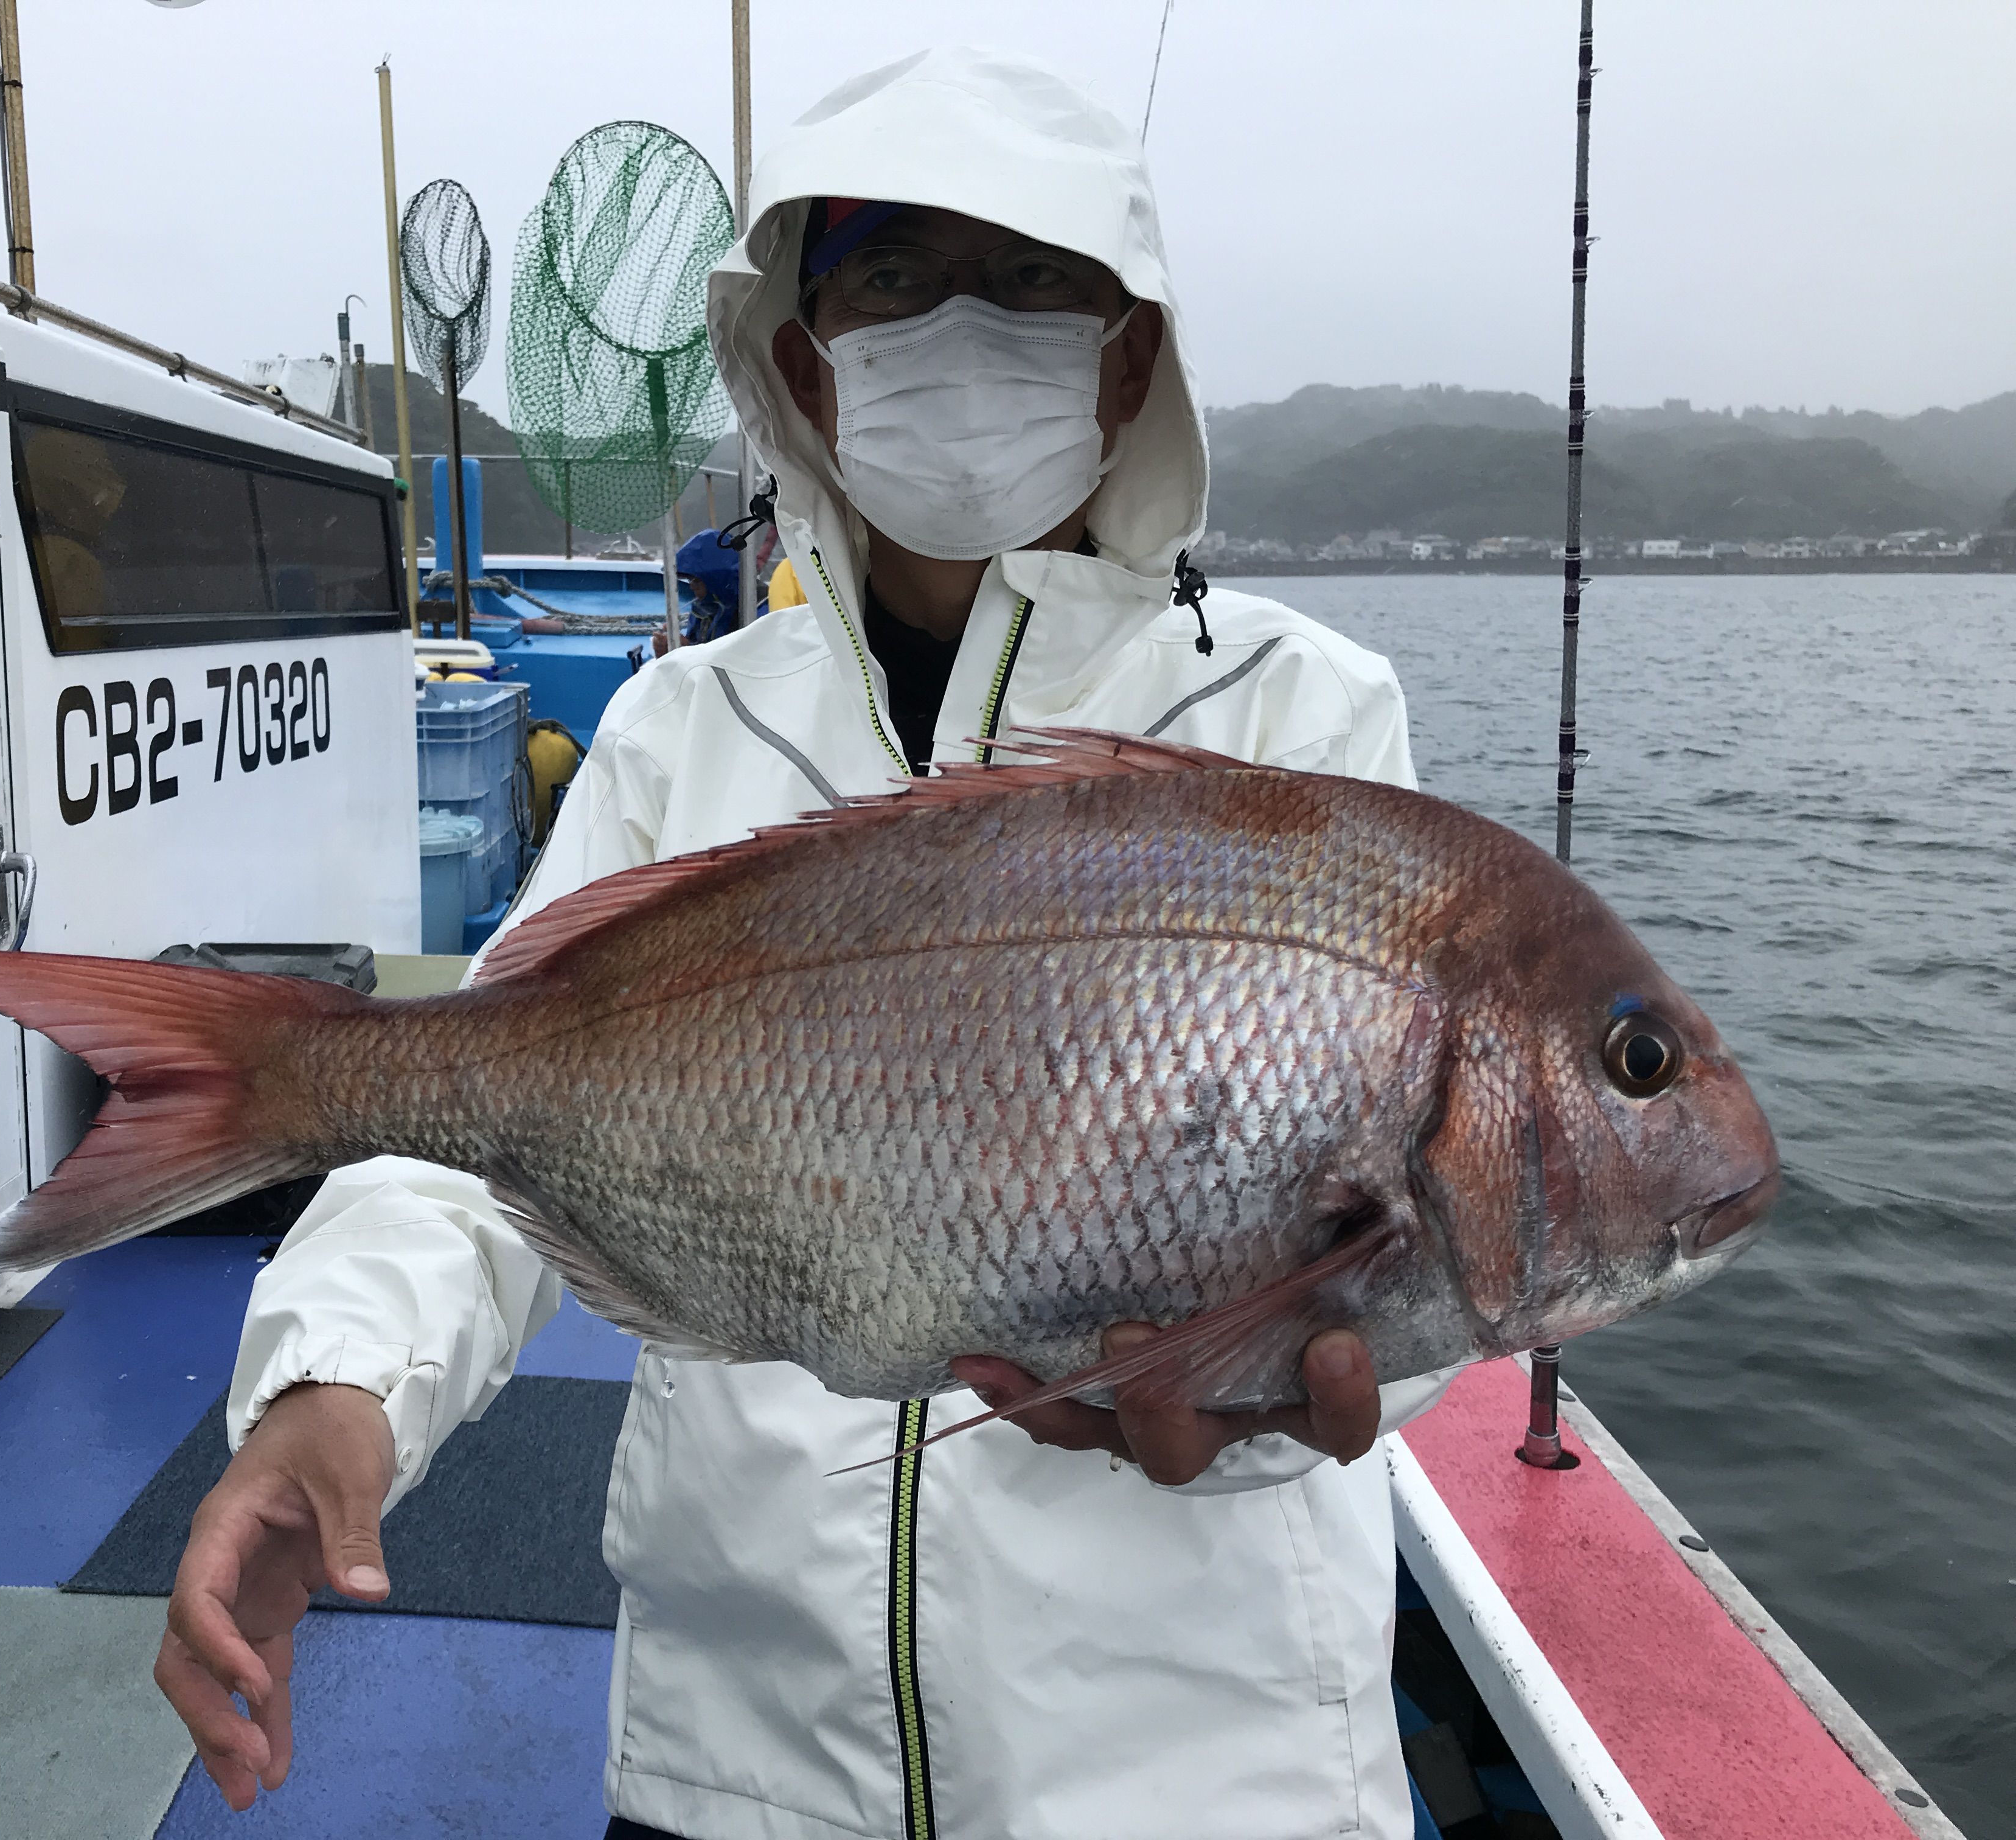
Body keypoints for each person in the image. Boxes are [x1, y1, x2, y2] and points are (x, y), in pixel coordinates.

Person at [156, 49, 1449, 1840]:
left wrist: (1271, 1402)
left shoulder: (1301, 721)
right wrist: (338, 1386)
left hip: (1207, 1778)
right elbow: (487, 1107)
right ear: (805, 361)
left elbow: (1420, 1245)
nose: (963, 328)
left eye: (1033, 280)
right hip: (741, 1760)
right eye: (895, 277)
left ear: (1129, 355)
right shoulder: (683, 730)